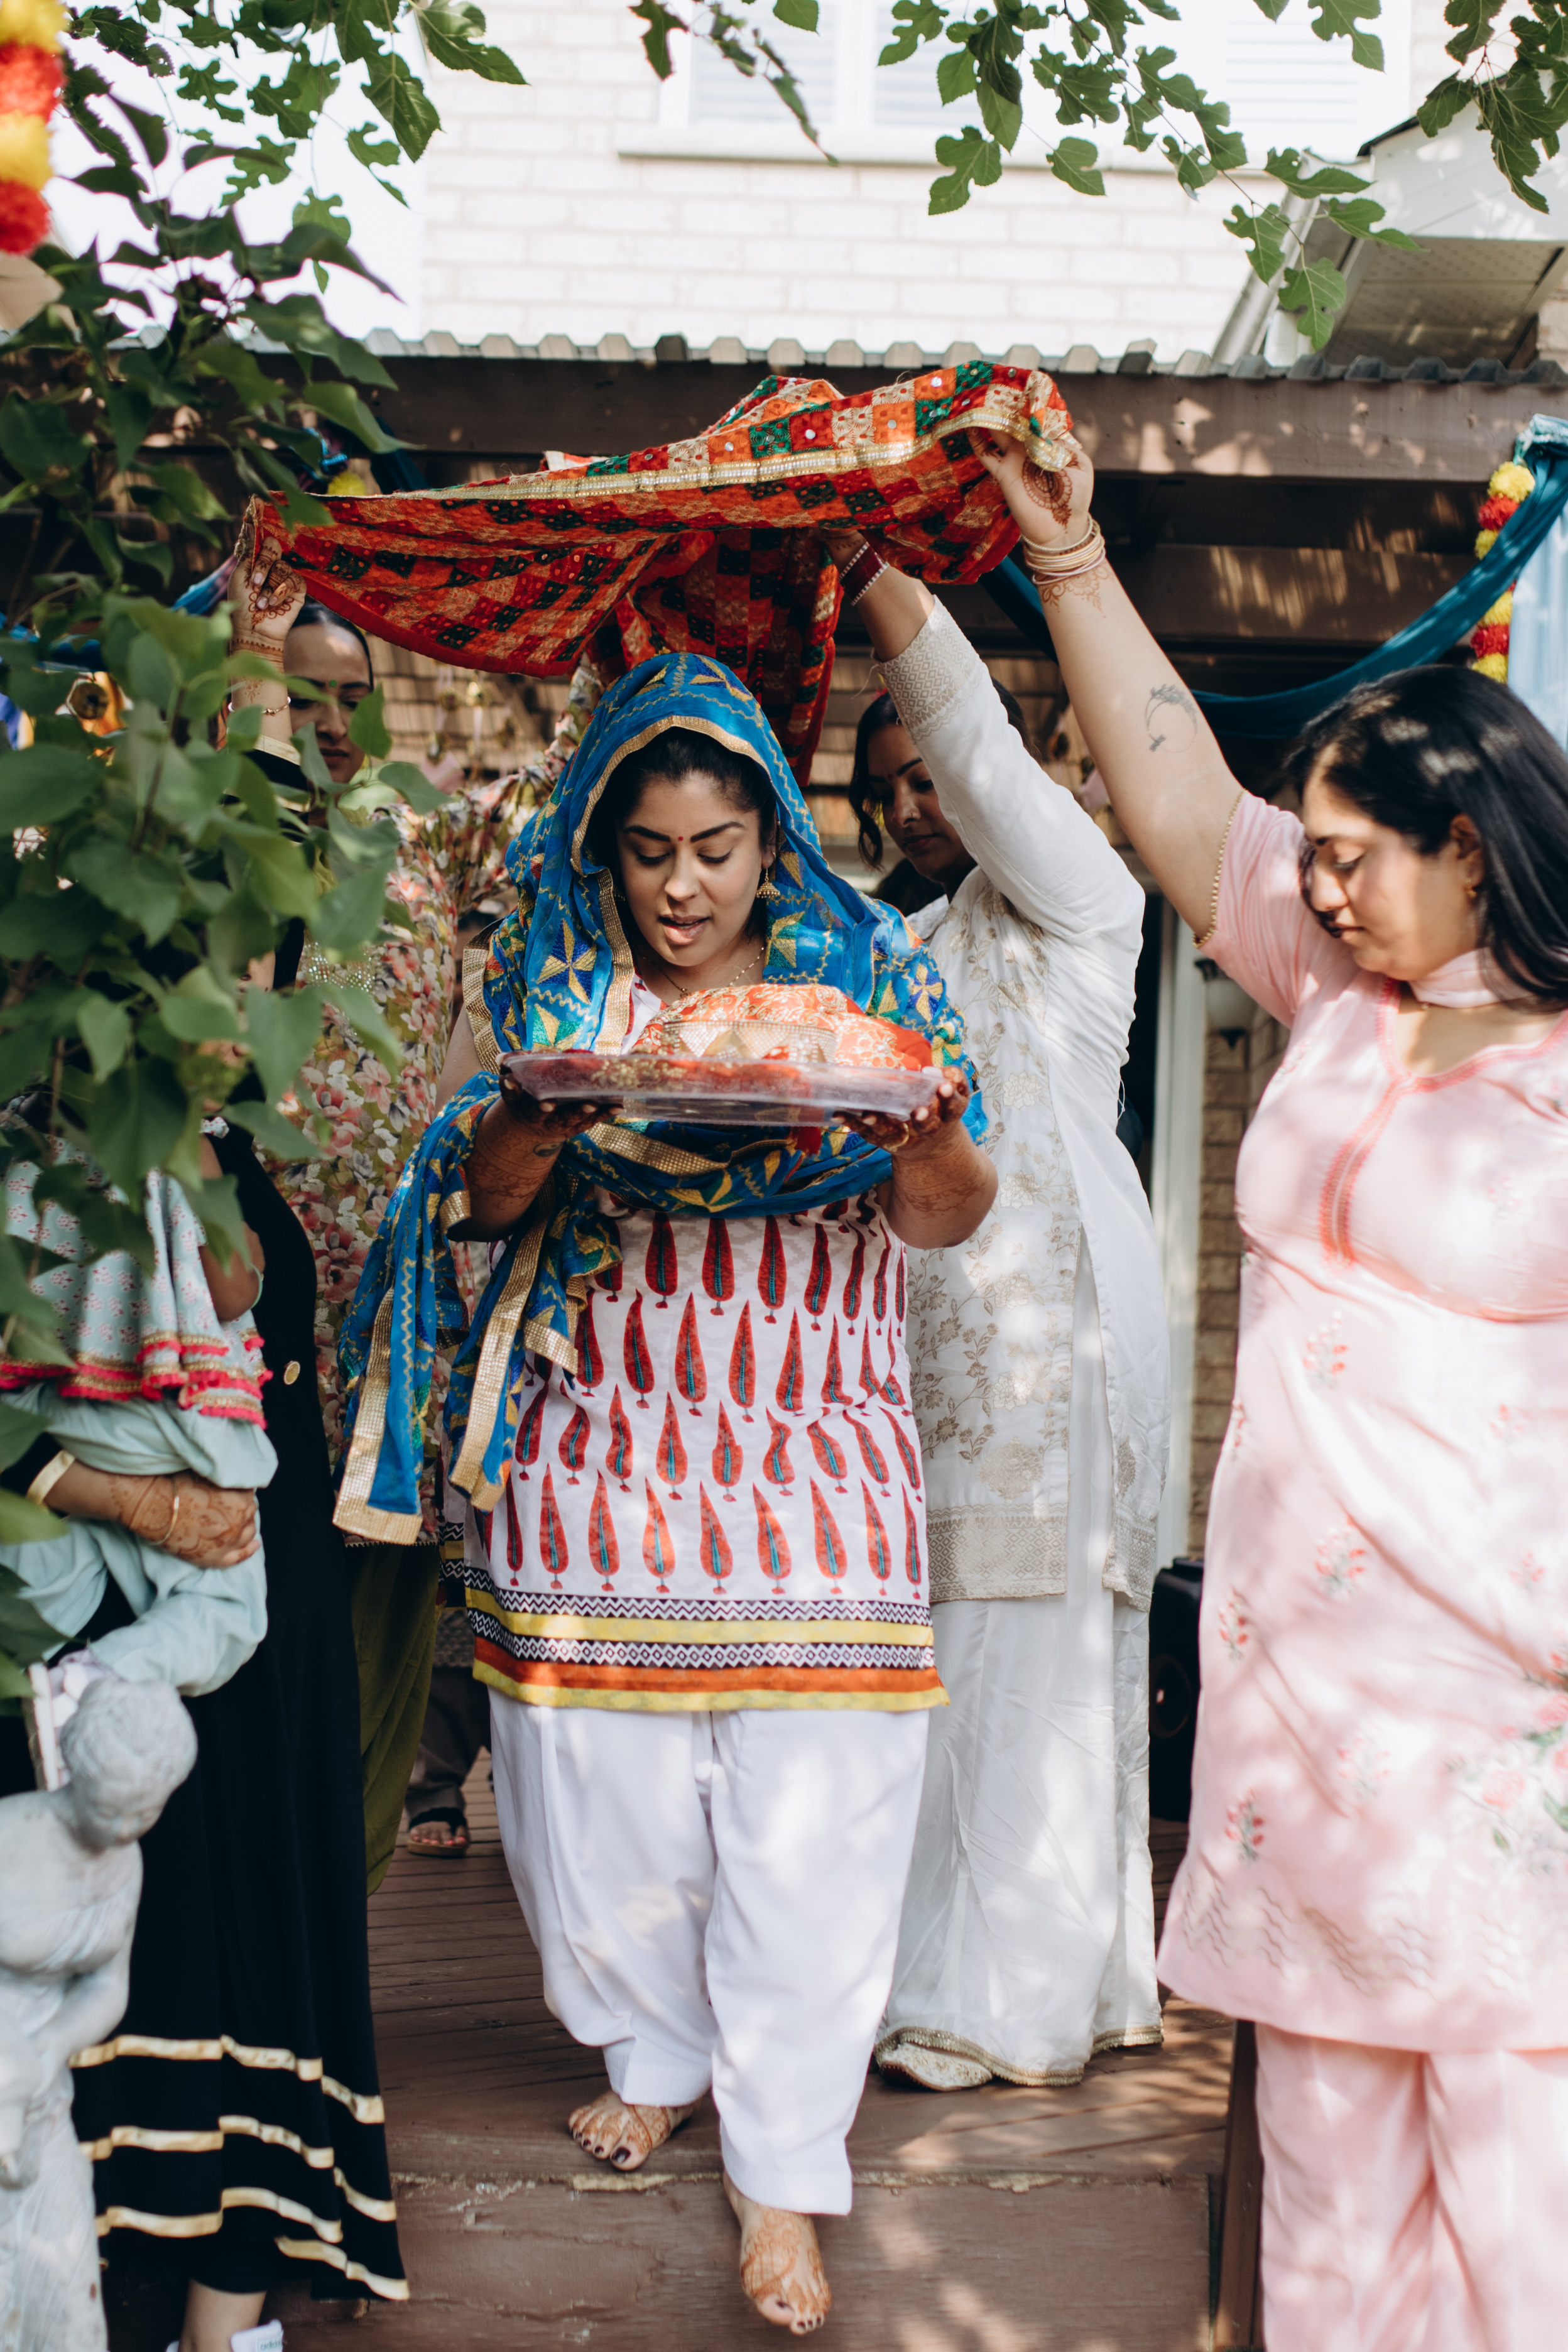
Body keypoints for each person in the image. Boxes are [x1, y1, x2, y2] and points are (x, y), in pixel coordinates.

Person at [970, 420, 1568, 2351]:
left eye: (1350, 859)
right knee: (1320, 2179)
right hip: (1301, 1701)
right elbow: (1171, 796)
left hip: (1506, 1707)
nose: (1314, 890)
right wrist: (1066, 560)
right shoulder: (1339, 997)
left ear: (1469, 849)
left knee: (1524, 2186)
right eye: (1305, 860)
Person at [337, 646, 995, 2334]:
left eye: (715, 850)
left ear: (774, 845)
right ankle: (656, 2053)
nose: (683, 887)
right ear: (604, 853)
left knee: (817, 1817)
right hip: (605, 1456)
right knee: (599, 1802)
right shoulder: (558, 987)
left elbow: (943, 1214)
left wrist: (924, 1133)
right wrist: (544, 1113)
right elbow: (485, 1200)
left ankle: (785, 2166)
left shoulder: (873, 982)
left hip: (816, 1455)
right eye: (649, 853)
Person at [827, 545, 1169, 2091]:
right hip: (905, 1359)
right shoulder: (881, 952)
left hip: (1054, 1360)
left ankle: (1000, 1999)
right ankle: (934, 1977)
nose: (919, 801)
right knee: (933, 1670)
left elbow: (979, 756)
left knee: (1032, 1664)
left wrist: (871, 576)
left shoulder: (1085, 910)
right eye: (888, 786)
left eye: (936, 773)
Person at [0, 1119, 406, 2347]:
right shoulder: (53, 1115)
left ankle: (222, 2316)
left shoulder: (206, 1129)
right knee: (101, 1930)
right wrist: (121, 1498)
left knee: (236, 1940)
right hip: (104, 1536)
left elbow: (241, 1291)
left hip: (232, 1554)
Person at [227, 549, 598, 1888]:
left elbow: (560, 789)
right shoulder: (225, 850)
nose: (330, 720)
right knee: (248, 1597)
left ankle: (349, 1877)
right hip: (238, 1291)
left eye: (352, 695)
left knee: (379, 1597)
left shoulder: (422, 841)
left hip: (390, 1302)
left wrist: (598, 601)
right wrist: (250, 646)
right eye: (301, 693)